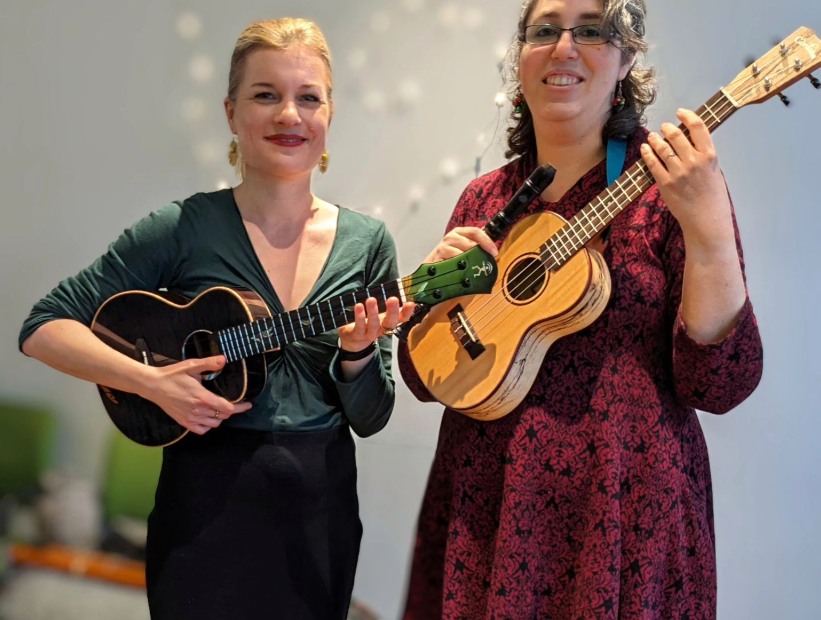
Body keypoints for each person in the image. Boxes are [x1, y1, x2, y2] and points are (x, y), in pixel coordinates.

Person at [19, 18, 413, 620]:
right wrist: (150, 383)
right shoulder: (182, 228)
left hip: (319, 514)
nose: (289, 114)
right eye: (265, 95)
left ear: (329, 114)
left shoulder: (368, 243)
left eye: (309, 97)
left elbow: (373, 416)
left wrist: (357, 355)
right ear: (231, 113)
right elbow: (44, 327)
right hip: (200, 510)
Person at [398, 1, 763, 618]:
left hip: (624, 520)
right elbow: (424, 376)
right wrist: (436, 297)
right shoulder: (486, 197)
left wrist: (708, 232)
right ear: (521, 60)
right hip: (489, 508)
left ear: (626, 59)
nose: (564, 48)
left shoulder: (672, 184)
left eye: (591, 30)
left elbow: (720, 381)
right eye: (545, 31)